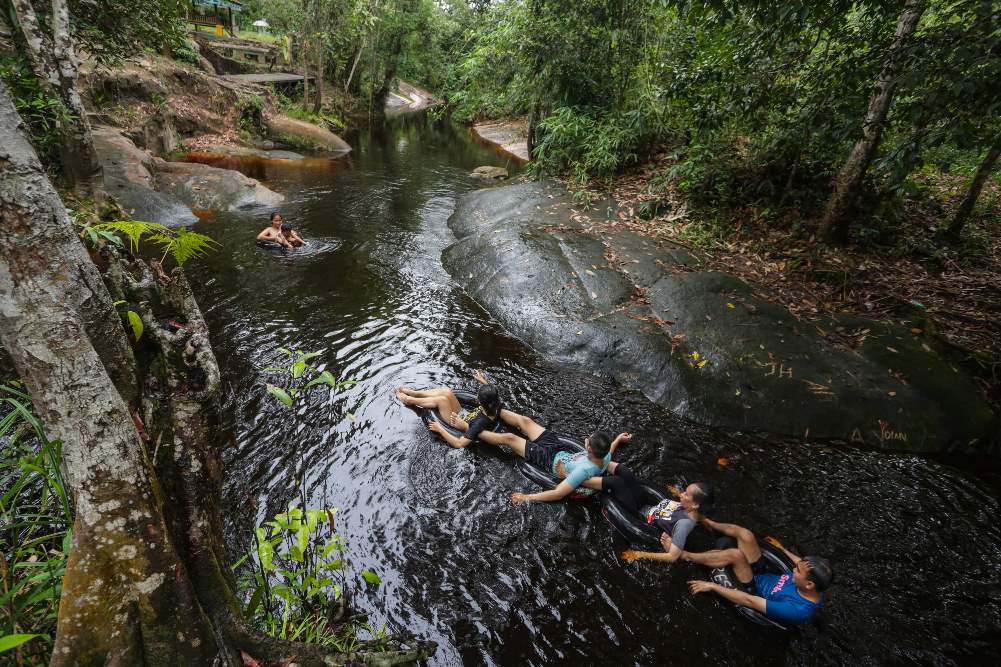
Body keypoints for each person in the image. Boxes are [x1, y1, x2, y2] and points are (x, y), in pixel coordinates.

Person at [682, 520, 833, 626]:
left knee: (735, 555)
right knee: (745, 534)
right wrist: (782, 549)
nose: (793, 569)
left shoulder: (795, 610)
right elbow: (800, 562)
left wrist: (712, 586)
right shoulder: (812, 583)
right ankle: (706, 521)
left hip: (753, 589)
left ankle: (685, 555)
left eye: (797, 571)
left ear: (809, 584)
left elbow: (749, 601)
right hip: (763, 573)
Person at [396, 371, 502, 449]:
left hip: (457, 424)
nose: (476, 396)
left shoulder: (479, 424)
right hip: (464, 415)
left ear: (480, 402)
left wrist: (440, 429)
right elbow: (493, 393)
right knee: (447, 392)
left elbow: (459, 444)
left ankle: (409, 400)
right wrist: (483, 381)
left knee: (442, 400)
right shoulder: (495, 404)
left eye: (478, 395)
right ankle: (416, 393)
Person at [613, 480, 714, 562]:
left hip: (644, 516)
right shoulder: (693, 510)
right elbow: (700, 516)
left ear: (695, 505)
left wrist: (639, 554)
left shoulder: (684, 525)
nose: (682, 494)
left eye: (686, 494)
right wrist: (678, 493)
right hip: (655, 509)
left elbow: (672, 556)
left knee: (617, 487)